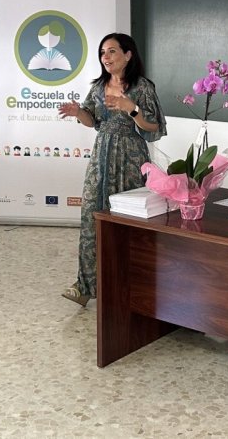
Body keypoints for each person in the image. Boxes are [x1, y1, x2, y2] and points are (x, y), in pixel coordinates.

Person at [57, 33, 165, 306]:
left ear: (128, 55)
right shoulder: (98, 87)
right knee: (93, 215)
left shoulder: (142, 88)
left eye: (112, 51)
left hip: (130, 157)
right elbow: (91, 119)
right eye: (103, 52)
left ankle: (130, 285)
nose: (106, 57)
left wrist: (132, 109)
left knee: (128, 221)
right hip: (101, 157)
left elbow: (155, 127)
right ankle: (85, 285)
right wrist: (77, 112)